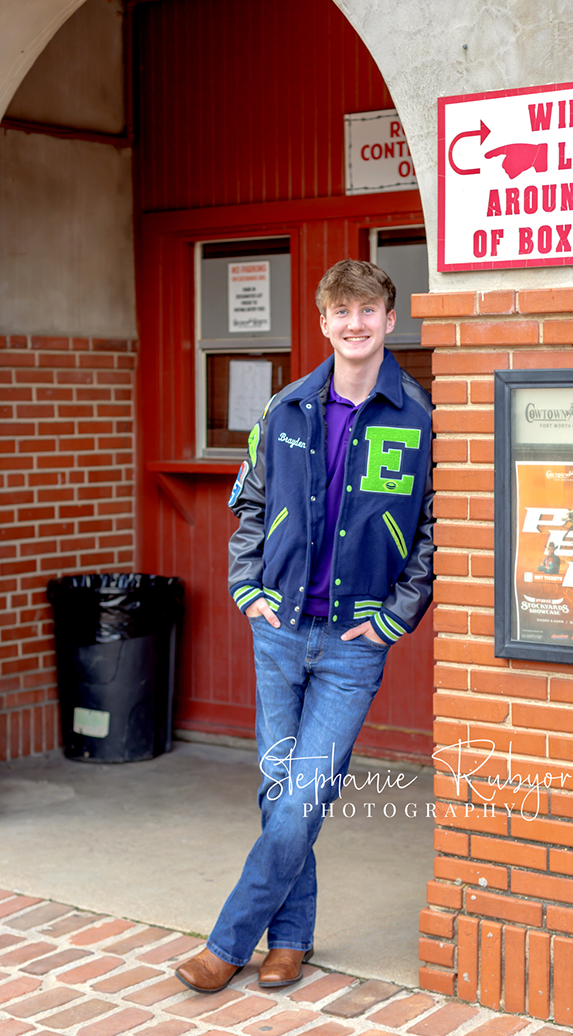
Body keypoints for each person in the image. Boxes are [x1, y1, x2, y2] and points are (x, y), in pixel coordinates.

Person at [176, 259, 434, 993]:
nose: (354, 324)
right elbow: (249, 504)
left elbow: (433, 533)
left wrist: (394, 619)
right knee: (279, 790)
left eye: (367, 311)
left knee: (303, 793)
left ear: (390, 320)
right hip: (280, 630)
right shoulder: (285, 409)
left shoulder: (418, 418)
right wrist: (245, 587)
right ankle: (290, 939)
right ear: (324, 324)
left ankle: (228, 943)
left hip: (355, 644)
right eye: (340, 312)